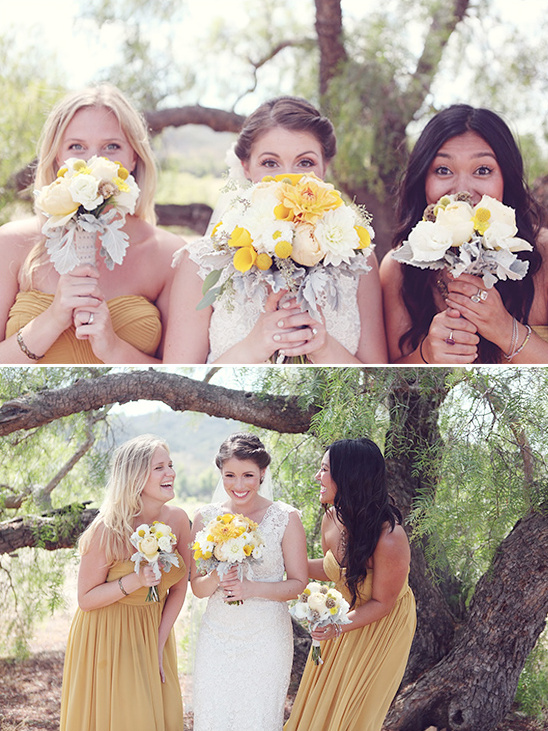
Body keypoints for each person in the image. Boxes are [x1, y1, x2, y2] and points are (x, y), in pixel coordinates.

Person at [164, 96, 387, 364]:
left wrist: (324, 348)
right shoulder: (199, 263)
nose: (287, 178)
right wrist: (255, 345)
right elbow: (185, 381)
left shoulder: (360, 261)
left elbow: (377, 385)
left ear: (324, 168)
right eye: (270, 163)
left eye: (305, 163)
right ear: (246, 167)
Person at [0, 84, 184, 364]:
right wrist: (51, 321)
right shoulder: (10, 243)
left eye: (112, 146)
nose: (94, 161)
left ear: (133, 157)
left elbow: (179, 379)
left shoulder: (171, 256)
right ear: (58, 156)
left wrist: (113, 348)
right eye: (77, 147)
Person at [380, 104, 548, 364]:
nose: (462, 191)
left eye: (482, 170)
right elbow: (389, 373)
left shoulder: (544, 255)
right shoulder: (397, 267)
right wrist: (426, 355)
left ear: (506, 178)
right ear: (423, 179)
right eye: (443, 170)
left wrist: (506, 330)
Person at [59, 434, 190, 731]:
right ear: (135, 476)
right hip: (107, 634)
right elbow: (86, 599)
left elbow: (180, 586)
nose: (170, 473)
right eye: (159, 468)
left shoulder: (180, 521)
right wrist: (135, 580)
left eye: (170, 465)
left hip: (154, 631)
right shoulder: (109, 527)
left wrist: (158, 644)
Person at [285, 438, 416, 731]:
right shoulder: (331, 517)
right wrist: (284, 565)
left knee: (354, 710)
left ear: (348, 476)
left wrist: (335, 627)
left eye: (324, 469)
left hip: (382, 625)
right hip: (344, 617)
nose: (317, 476)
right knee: (323, 701)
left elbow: (383, 603)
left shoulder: (390, 537)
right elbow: (337, 571)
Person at [190, 433, 308, 731]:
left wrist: (252, 588)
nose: (238, 485)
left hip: (266, 638)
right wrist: (219, 574)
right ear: (220, 473)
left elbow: (298, 583)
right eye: (230, 475)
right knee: (214, 716)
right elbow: (198, 588)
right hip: (217, 636)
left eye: (248, 476)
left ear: (262, 474)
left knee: (258, 718)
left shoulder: (285, 518)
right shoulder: (205, 518)